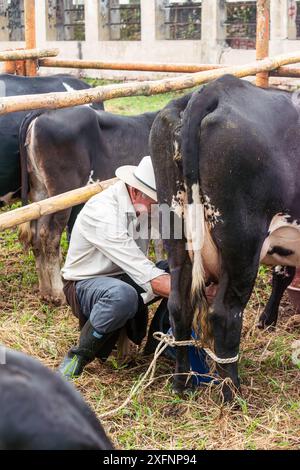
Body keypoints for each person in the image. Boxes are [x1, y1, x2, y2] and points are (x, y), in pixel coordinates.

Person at [59, 156, 171, 379]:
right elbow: (146, 274)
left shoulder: (143, 205)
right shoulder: (102, 212)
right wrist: (192, 293)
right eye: (155, 201)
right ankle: (76, 359)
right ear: (135, 191)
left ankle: (158, 344)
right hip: (86, 283)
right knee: (123, 295)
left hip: (126, 275)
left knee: (178, 270)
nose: (159, 207)